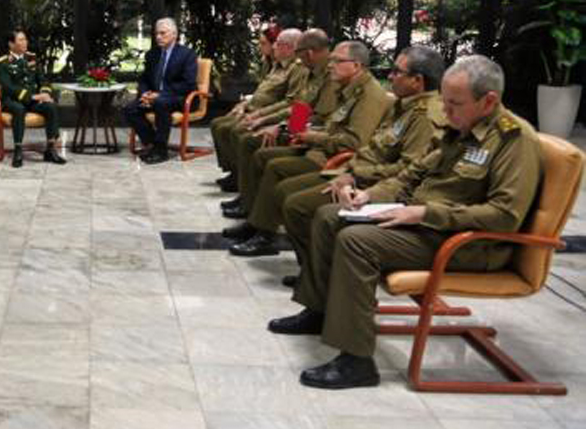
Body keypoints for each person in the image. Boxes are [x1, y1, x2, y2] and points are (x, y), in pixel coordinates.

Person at [269, 56, 542, 389]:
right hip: (427, 225)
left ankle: (357, 361)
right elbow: (411, 175)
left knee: (356, 241)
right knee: (330, 215)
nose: (446, 109)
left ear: (489, 101)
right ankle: (320, 311)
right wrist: (369, 196)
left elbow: (504, 216)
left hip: (470, 243)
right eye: (443, 99)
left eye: (455, 103)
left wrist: (425, 213)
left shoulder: (513, 140)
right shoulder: (460, 129)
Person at [279, 45, 446, 285]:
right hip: (346, 166)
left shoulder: (417, 113)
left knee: (293, 197)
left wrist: (352, 175)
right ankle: (315, 273)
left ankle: (316, 275)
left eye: (396, 71)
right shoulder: (398, 104)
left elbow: (399, 166)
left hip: (353, 173)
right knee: (282, 184)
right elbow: (303, 109)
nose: (331, 65)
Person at [224, 40, 389, 257]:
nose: (331, 65)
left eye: (336, 61)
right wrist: (275, 122)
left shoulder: (337, 82)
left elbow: (323, 119)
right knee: (249, 142)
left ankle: (262, 227)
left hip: (329, 153)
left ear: (308, 52)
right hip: (308, 137)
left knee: (264, 156)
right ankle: (253, 214)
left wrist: (298, 132)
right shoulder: (312, 74)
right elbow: (299, 106)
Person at [215, 28, 307, 197]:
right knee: (230, 129)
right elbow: (300, 107)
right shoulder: (311, 74)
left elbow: (299, 108)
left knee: (245, 138)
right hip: (293, 127)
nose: (273, 48)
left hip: (306, 138)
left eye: (303, 51)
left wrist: (277, 125)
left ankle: (249, 197)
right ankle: (245, 191)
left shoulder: (305, 71)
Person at [210, 24, 280, 188]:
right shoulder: (272, 65)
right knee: (219, 123)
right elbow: (263, 92)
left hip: (281, 121)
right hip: (270, 115)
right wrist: (245, 104)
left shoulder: (298, 69)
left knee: (238, 132)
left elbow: (296, 106)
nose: (260, 47)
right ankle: (236, 173)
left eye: (264, 43)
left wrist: (275, 122)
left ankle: (244, 182)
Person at [122, 17, 199, 164]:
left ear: (174, 35)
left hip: (180, 98)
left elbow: (188, 84)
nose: (158, 37)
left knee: (160, 103)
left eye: (163, 33)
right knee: (129, 109)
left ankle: (161, 151)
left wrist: (160, 94)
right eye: (157, 33)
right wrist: (144, 93)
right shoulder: (153, 54)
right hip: (156, 97)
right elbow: (144, 79)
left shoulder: (187, 54)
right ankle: (154, 144)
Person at [0, 29, 66, 168]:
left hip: (32, 101)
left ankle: (50, 149)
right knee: (19, 109)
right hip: (12, 100)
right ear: (11, 44)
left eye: (25, 39)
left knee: (50, 107)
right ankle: (18, 150)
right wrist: (33, 96)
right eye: (20, 40)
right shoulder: (2, 63)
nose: (25, 42)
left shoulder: (32, 58)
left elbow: (43, 80)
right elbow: (9, 88)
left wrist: (45, 94)